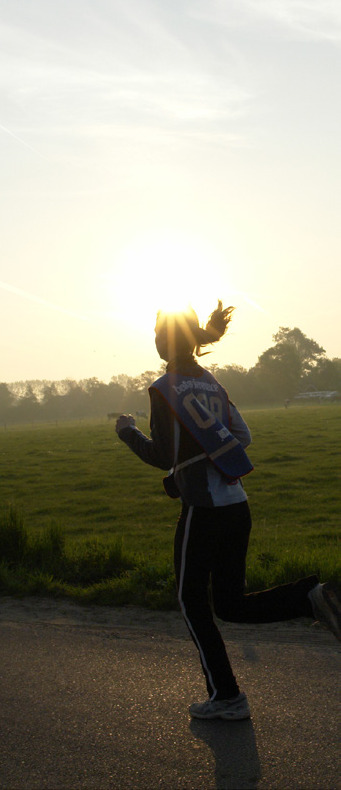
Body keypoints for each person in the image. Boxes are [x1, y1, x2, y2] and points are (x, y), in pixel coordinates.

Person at [115, 302, 340, 720]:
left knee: (190, 601)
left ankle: (227, 696)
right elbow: (242, 436)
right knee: (230, 604)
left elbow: (161, 454)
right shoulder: (213, 385)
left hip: (203, 510)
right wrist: (196, 460)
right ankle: (308, 599)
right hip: (237, 503)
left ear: (165, 341)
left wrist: (127, 433)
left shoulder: (163, 387)